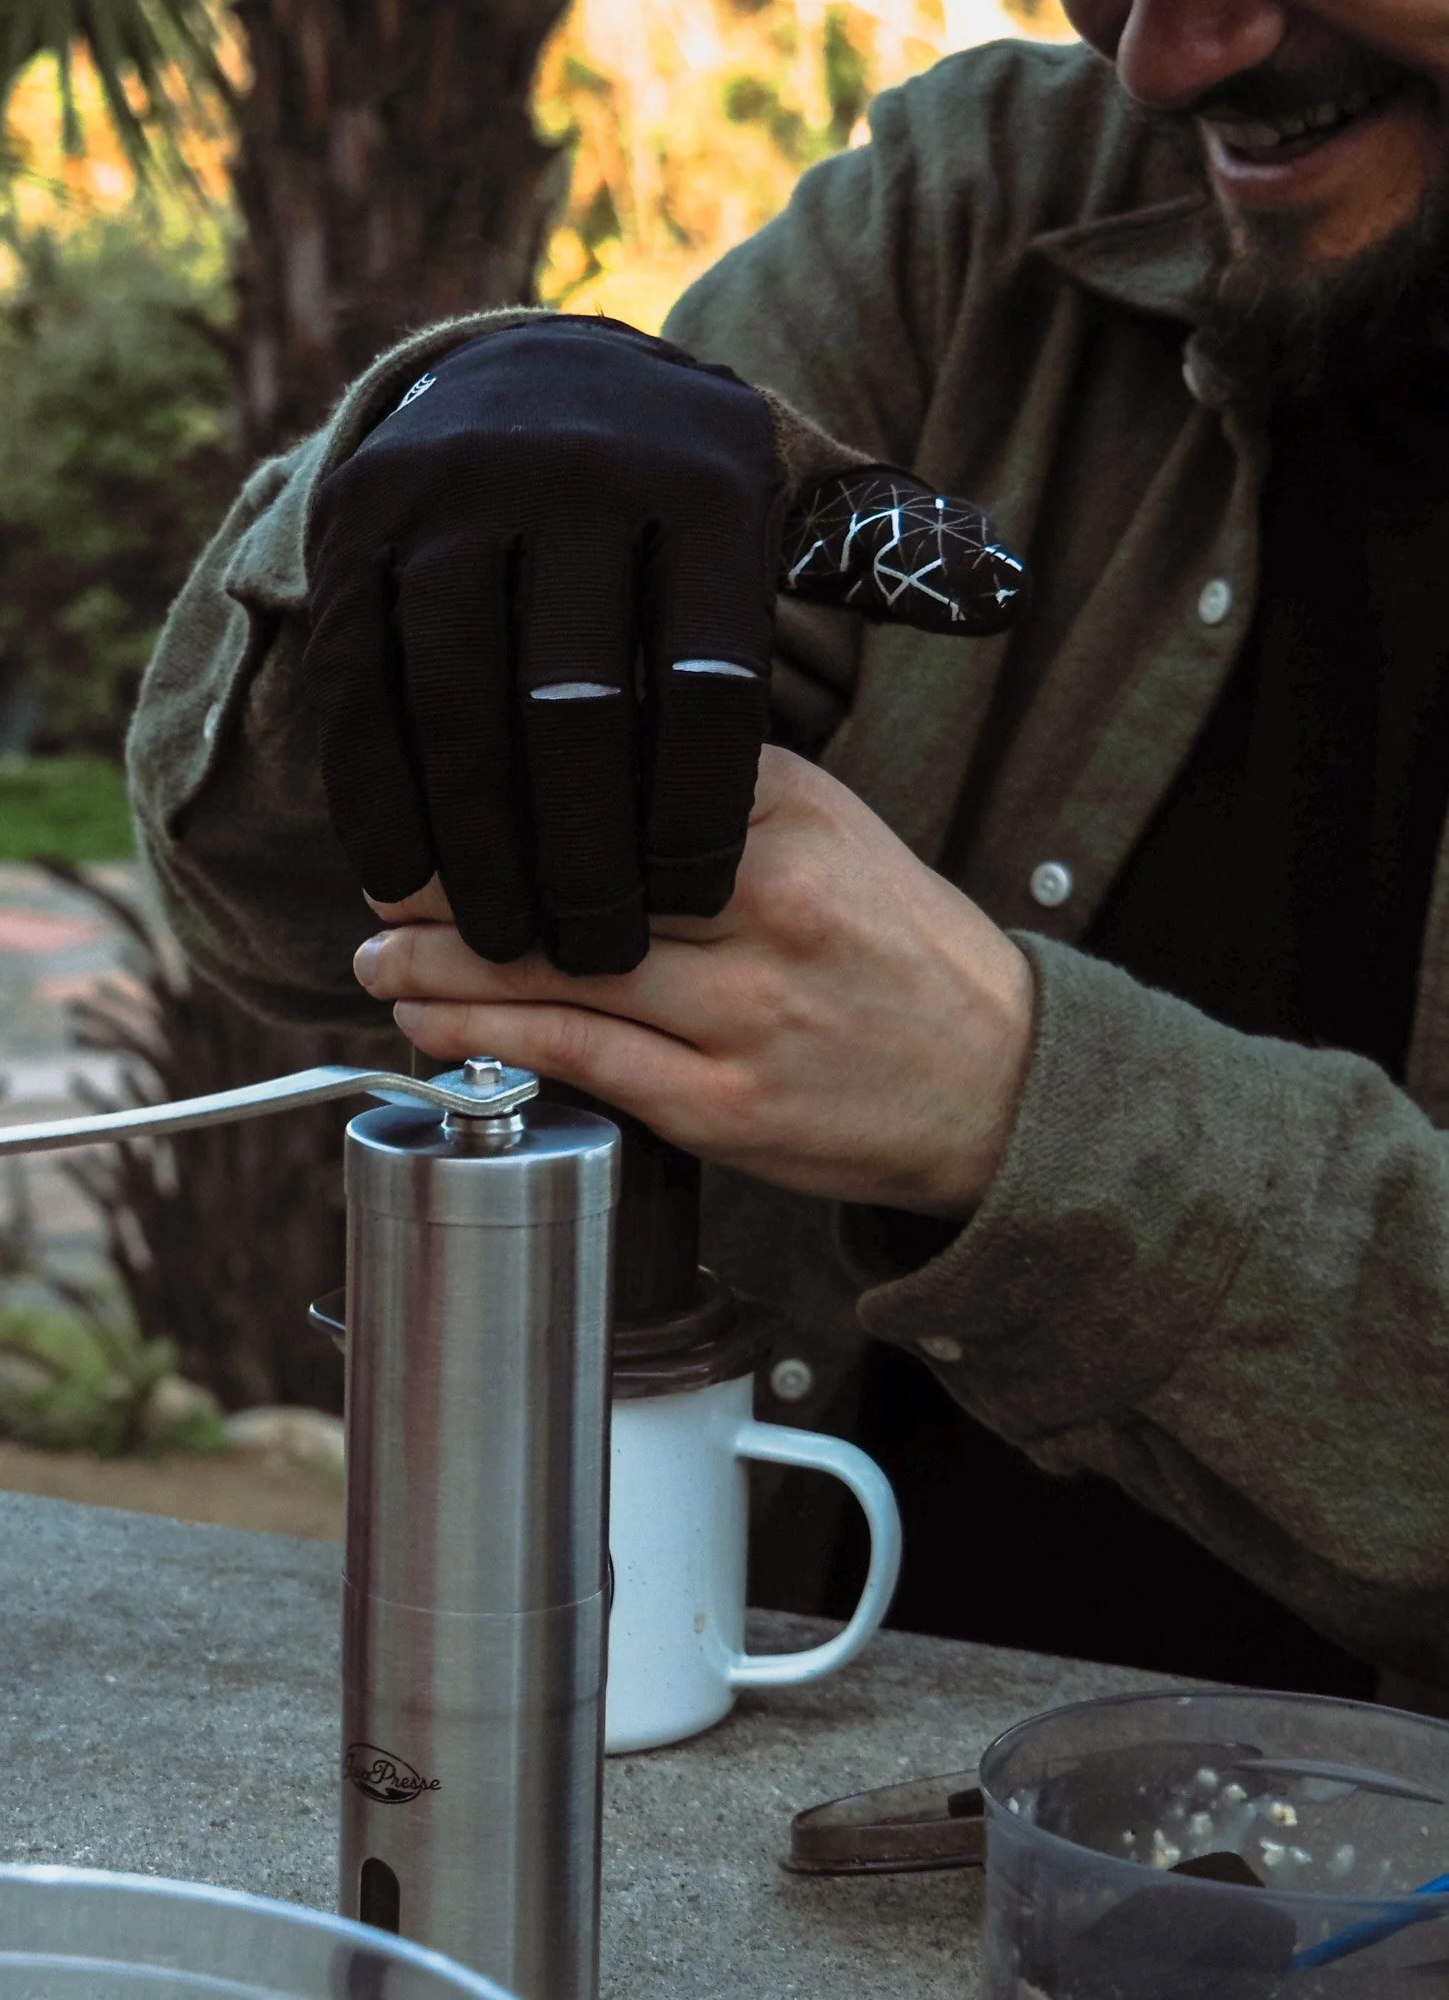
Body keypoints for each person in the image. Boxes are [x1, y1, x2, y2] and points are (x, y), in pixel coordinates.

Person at [127, 0, 1449, 1702]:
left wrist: (1023, 1108)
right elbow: (277, 901)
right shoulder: (989, 198)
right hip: (760, 1797)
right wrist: (431, 490)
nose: (1168, 60)